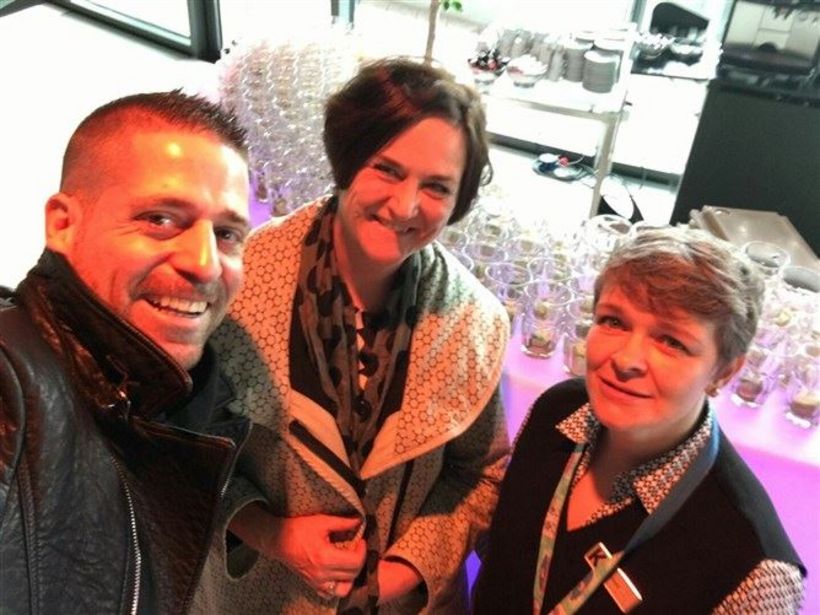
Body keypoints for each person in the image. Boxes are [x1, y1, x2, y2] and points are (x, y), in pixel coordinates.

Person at [193, 58, 511, 613]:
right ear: (347, 158)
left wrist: (403, 572)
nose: (406, 206)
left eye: (437, 187)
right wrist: (270, 532)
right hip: (262, 595)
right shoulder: (238, 283)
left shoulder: (474, 322)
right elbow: (188, 446)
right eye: (386, 169)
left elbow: (480, 474)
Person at [0, 90, 253, 614]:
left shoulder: (169, 403)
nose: (206, 263)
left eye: (227, 233)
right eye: (161, 219)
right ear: (63, 223)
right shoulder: (9, 381)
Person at [472, 227, 807, 613]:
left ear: (724, 372)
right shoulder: (557, 409)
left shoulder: (754, 571)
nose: (627, 360)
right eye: (613, 321)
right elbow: (503, 548)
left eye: (671, 342)